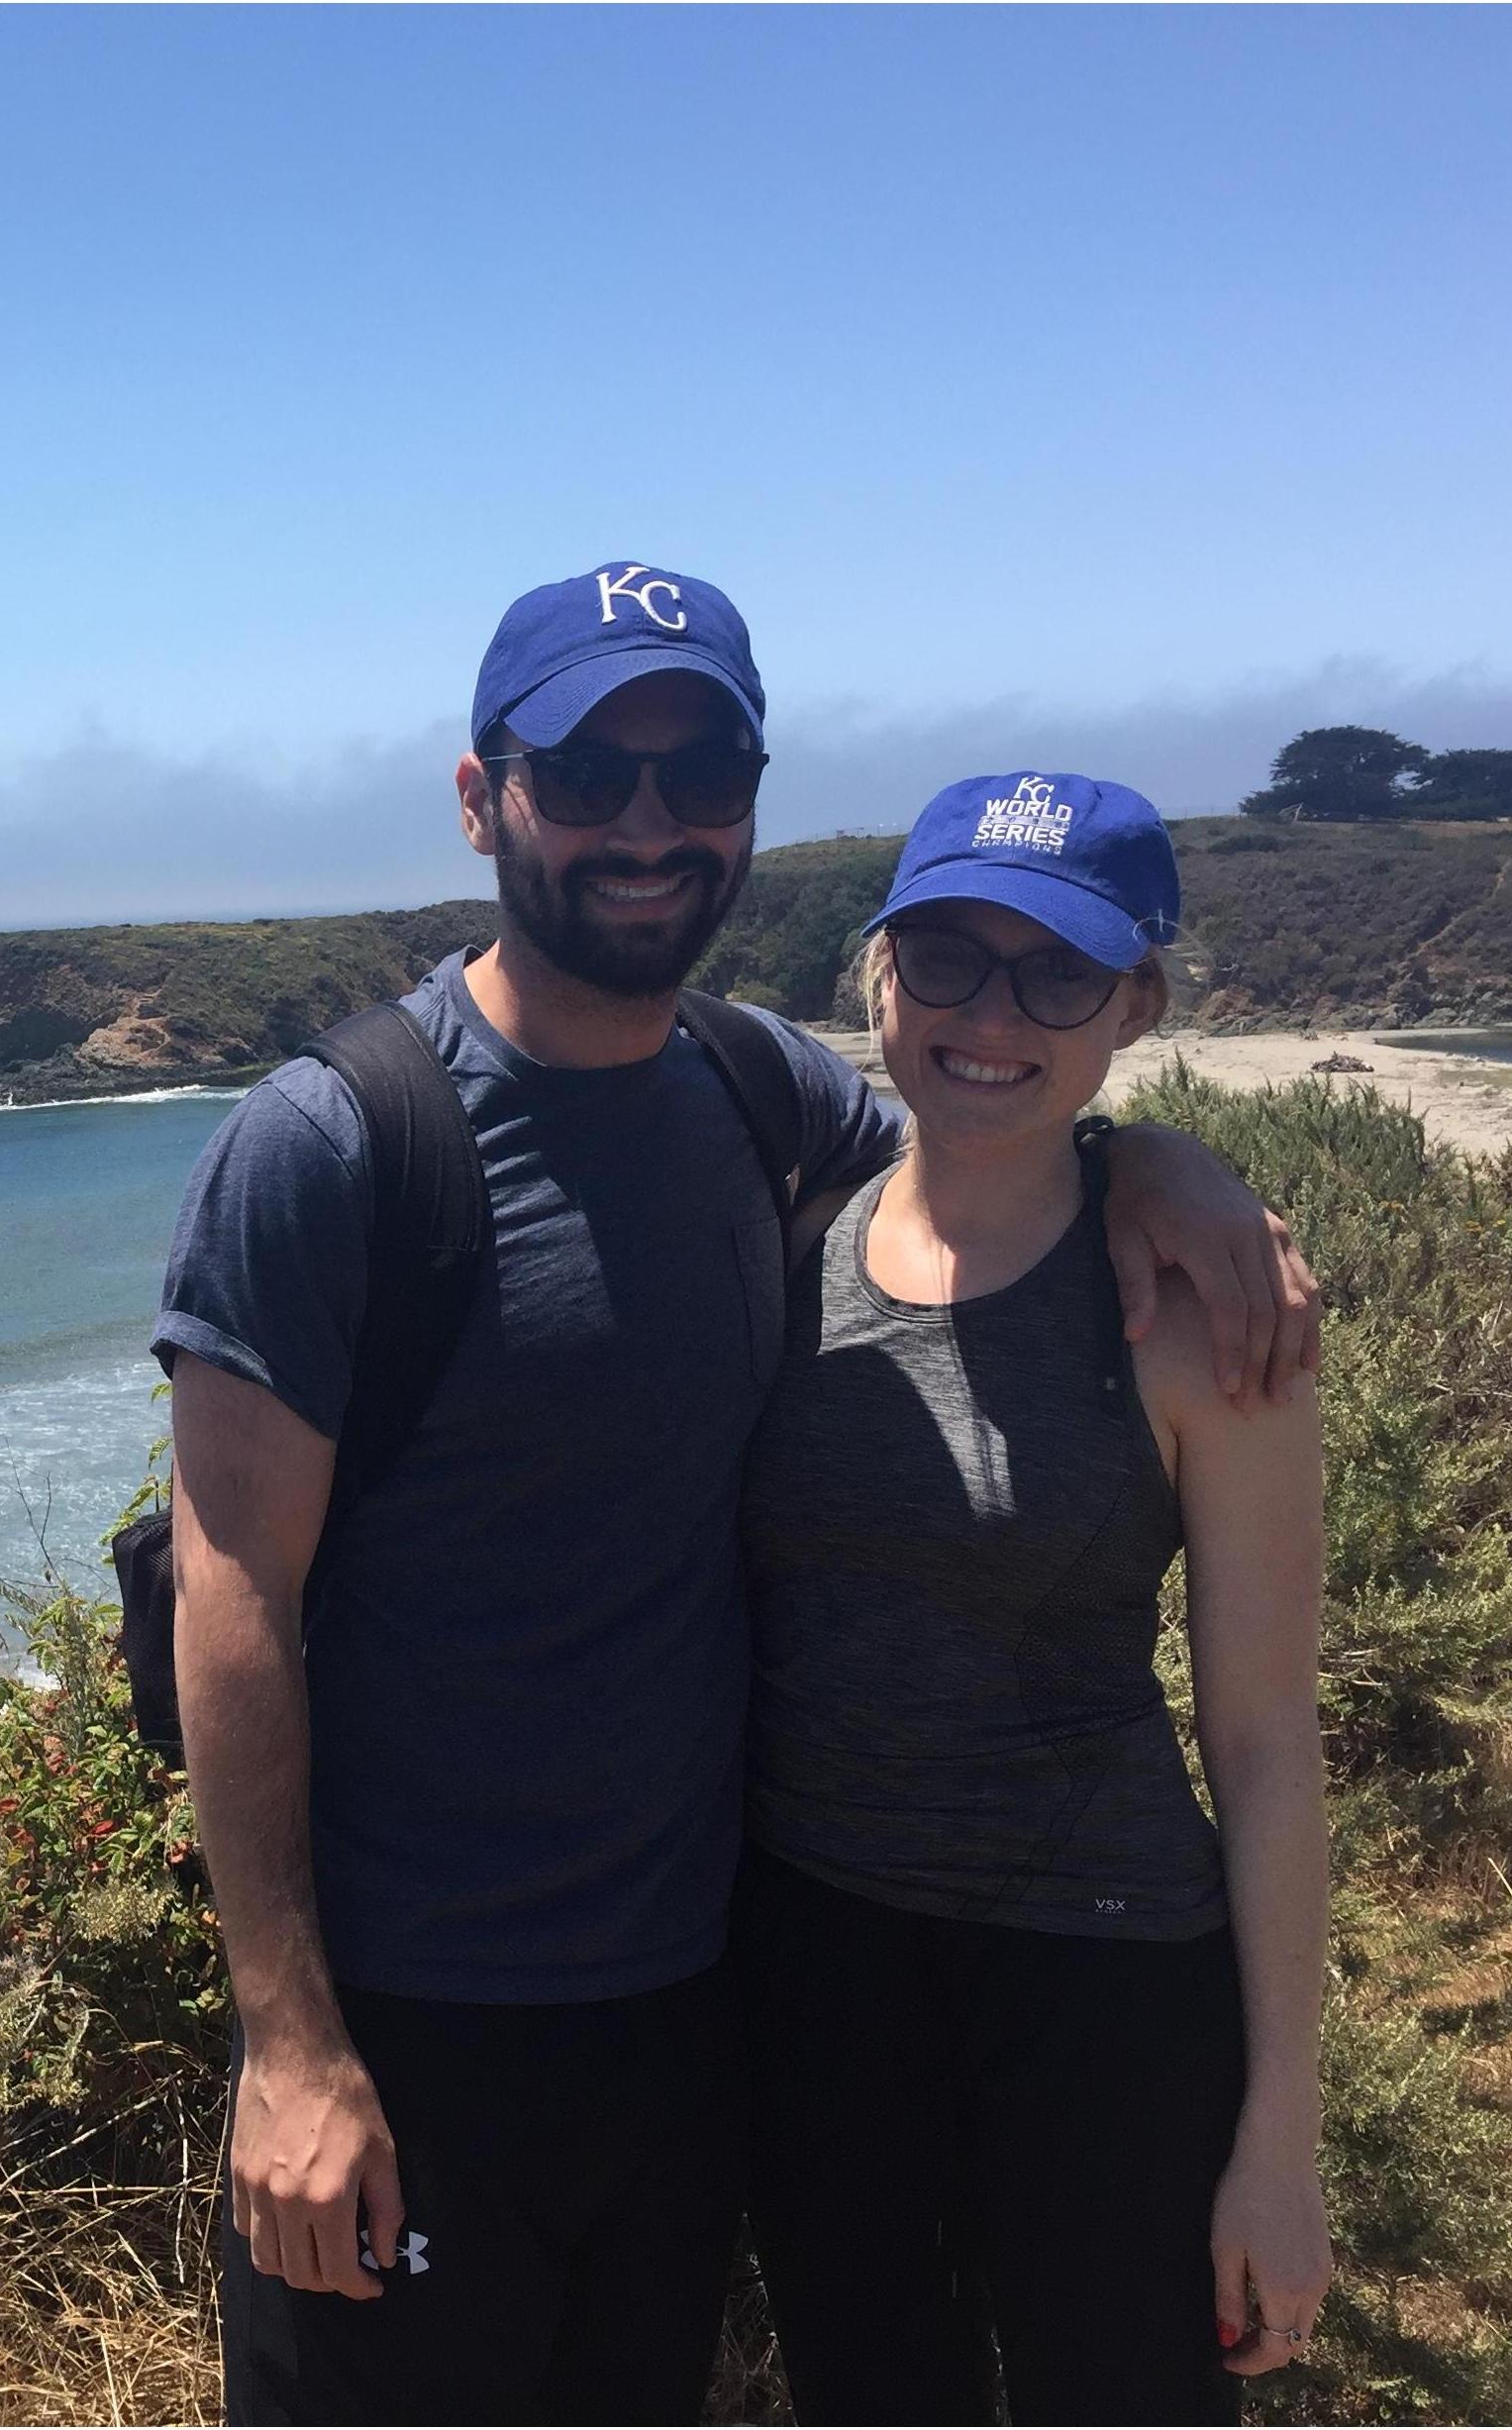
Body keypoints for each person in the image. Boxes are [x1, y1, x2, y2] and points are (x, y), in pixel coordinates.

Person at [151, 565, 1320, 2426]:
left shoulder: (756, 1089)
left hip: (704, 2005)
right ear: (482, 798)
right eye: (586, 770)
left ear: (750, 805)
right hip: (417, 2023)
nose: (647, 821)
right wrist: (288, 2044)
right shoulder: (331, 1143)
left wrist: (1152, 1155)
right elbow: (233, 1591)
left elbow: (987, 1131)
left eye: (699, 771)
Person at [737, 773, 1332, 2425]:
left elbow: (1270, 1740)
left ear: (1130, 1002)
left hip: (1103, 1981)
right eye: (944, 956)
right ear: (876, 974)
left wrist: (1275, 2139)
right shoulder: (787, 1249)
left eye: (1053, 974)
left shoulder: (1199, 1320)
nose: (988, 1014)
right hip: (819, 1961)